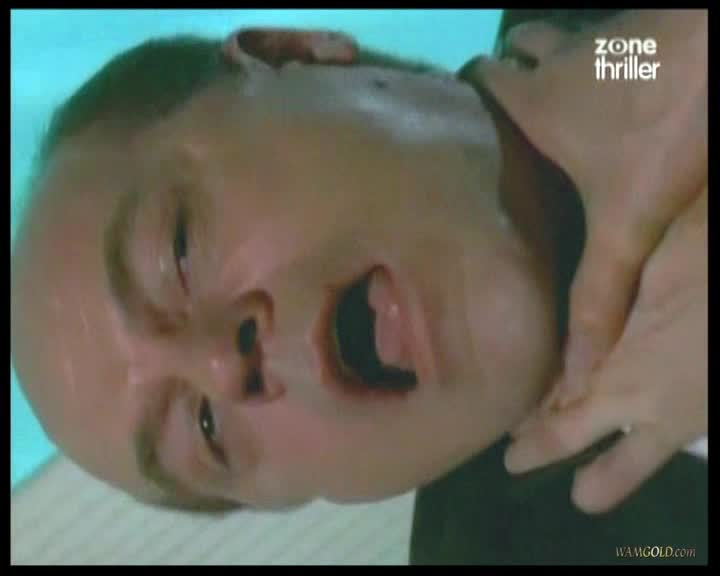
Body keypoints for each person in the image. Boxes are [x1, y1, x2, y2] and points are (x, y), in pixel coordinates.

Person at [10, 10, 706, 531]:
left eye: (181, 253)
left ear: (297, 55)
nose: (221, 366)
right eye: (205, 431)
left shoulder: (618, 42)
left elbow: (644, 60)